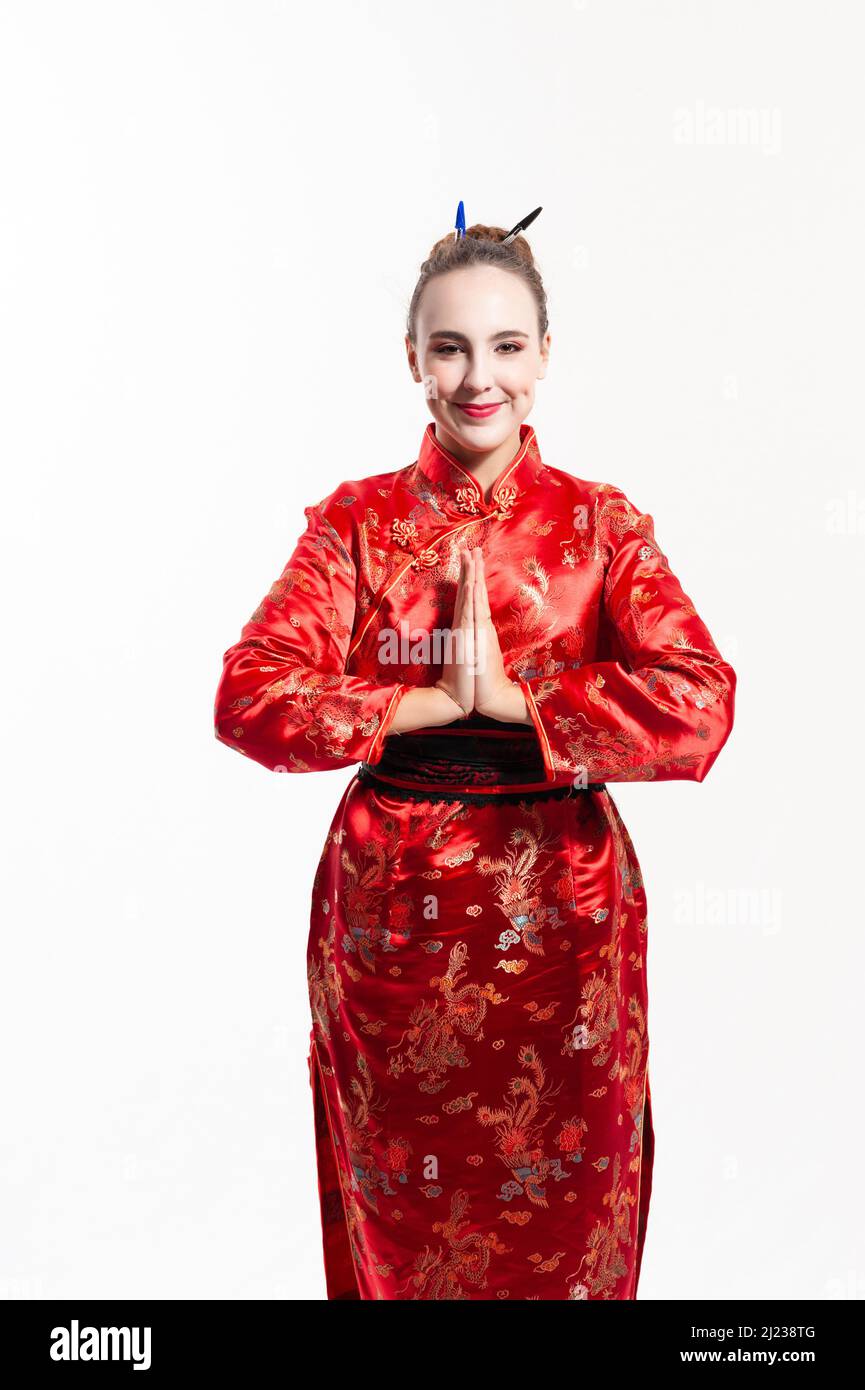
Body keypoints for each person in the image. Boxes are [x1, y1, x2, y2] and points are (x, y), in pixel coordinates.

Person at [213, 211, 737, 1300]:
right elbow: (250, 698)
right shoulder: (354, 526)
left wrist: (511, 699)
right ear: (412, 358)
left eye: (505, 346)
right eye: (449, 347)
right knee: (399, 1211)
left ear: (545, 353)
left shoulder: (601, 527)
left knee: (572, 1210)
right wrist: (421, 701)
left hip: (564, 916)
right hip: (394, 920)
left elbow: (699, 703)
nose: (477, 376)